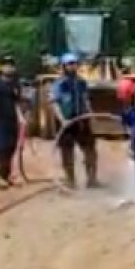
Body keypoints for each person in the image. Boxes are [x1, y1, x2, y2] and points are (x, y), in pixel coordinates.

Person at [51, 53, 98, 189]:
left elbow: (85, 99)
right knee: (67, 152)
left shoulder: (81, 82)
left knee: (90, 149)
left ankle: (92, 179)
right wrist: (62, 120)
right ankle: (70, 180)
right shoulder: (59, 84)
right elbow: (54, 103)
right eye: (70, 64)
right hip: (66, 122)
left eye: (74, 63)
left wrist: (90, 113)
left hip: (81, 120)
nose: (73, 66)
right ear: (64, 66)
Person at [0, 58, 25, 188]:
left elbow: (17, 103)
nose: (9, 68)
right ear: (1, 68)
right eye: (6, 65)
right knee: (0, 149)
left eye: (11, 65)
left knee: (11, 148)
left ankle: (7, 175)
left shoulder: (15, 84)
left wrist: (21, 118)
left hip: (12, 120)